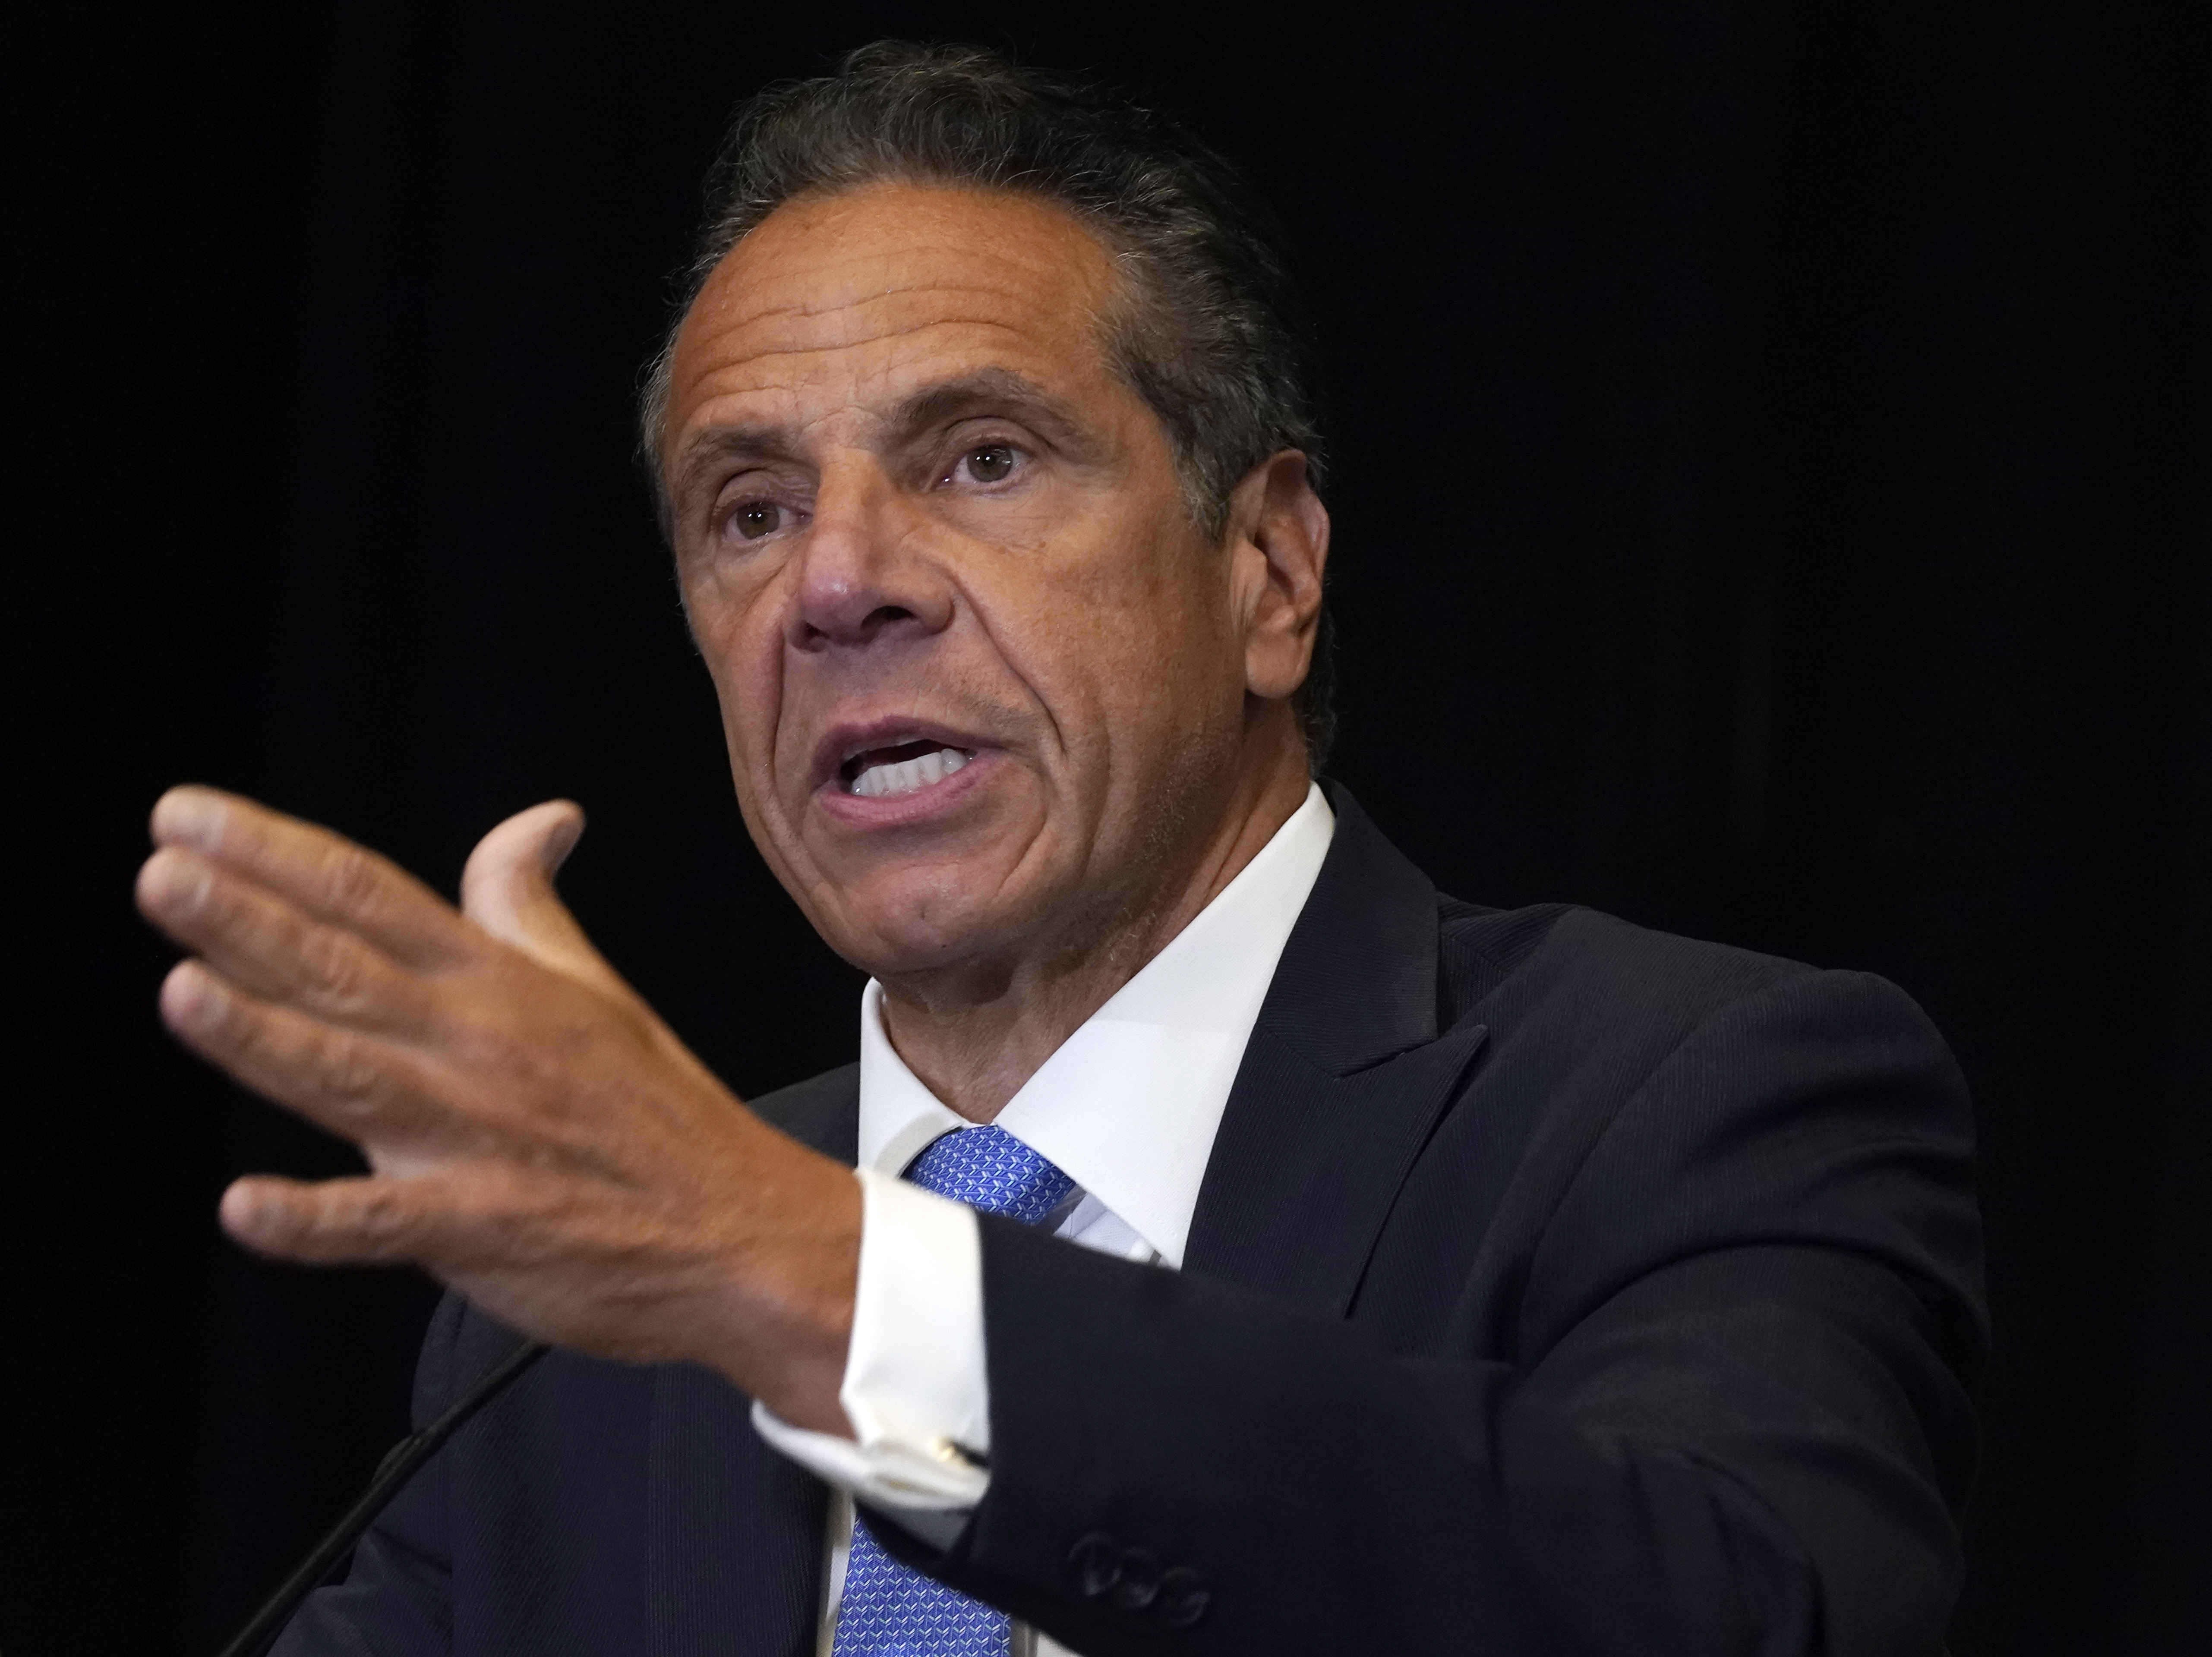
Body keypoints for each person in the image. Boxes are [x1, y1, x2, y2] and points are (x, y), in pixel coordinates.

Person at [136, 41, 1986, 1657]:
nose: (836, 583)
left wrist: (816, 1278)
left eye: (983, 459)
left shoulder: (1682, 1101)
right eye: (749, 509)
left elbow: (1726, 1612)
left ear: (1270, 572)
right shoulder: (579, 1315)